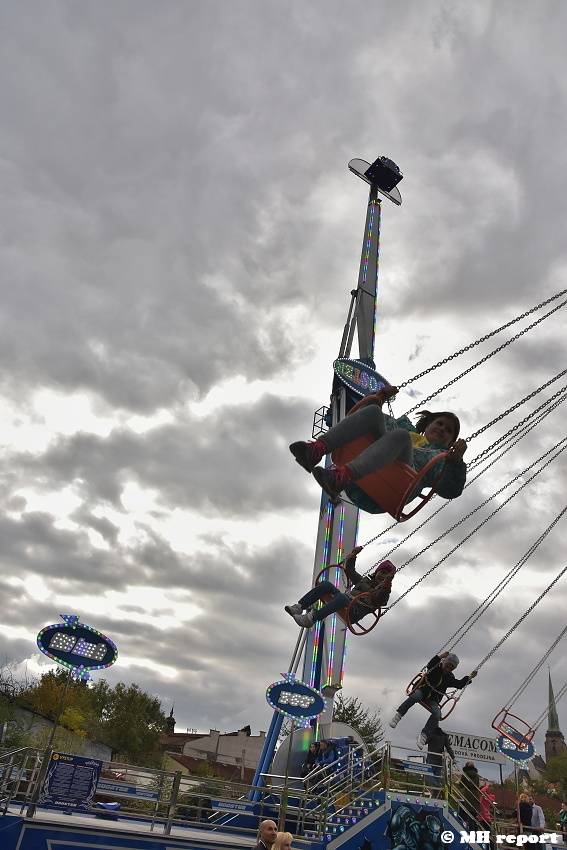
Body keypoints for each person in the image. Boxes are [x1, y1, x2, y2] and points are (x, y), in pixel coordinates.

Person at [289, 385, 467, 512]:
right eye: (440, 423)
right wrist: (380, 396)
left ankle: (342, 477)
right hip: (367, 473)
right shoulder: (404, 428)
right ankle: (315, 451)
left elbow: (451, 490)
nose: (442, 429)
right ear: (428, 425)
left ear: (450, 442)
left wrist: (455, 463)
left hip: (394, 488)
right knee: (374, 411)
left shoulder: (441, 459)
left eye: (448, 431)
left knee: (401, 437)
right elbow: (364, 421)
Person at [285, 546, 396, 629]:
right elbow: (350, 571)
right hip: (345, 601)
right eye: (382, 572)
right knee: (326, 584)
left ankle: (311, 619)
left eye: (387, 574)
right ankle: (299, 606)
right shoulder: (363, 581)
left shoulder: (383, 592)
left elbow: (380, 598)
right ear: (376, 572)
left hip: (354, 612)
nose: (383, 575)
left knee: (343, 598)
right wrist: (353, 555)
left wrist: (387, 584)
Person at [389, 652, 477, 746]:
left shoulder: (449, 677)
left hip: (433, 699)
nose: (448, 669)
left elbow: (459, 684)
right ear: (444, 662)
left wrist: (469, 677)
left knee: (437, 714)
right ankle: (398, 715)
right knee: (416, 696)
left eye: (451, 668)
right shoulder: (435, 667)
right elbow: (430, 664)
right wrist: (441, 656)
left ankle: (424, 735)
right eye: (447, 665)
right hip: (423, 690)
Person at [425, 727, 454, 798]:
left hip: (431, 758)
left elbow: (424, 742)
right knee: (437, 777)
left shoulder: (431, 734)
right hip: (439, 760)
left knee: (428, 776)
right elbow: (448, 748)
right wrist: (453, 757)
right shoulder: (444, 736)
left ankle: (437, 786)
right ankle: (435, 795)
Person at [459, 762, 480, 830]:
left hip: (467, 796)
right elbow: (477, 785)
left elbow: (461, 785)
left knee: (466, 815)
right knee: (473, 816)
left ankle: (468, 831)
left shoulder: (465, 774)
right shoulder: (477, 776)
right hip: (475, 796)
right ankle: (475, 832)